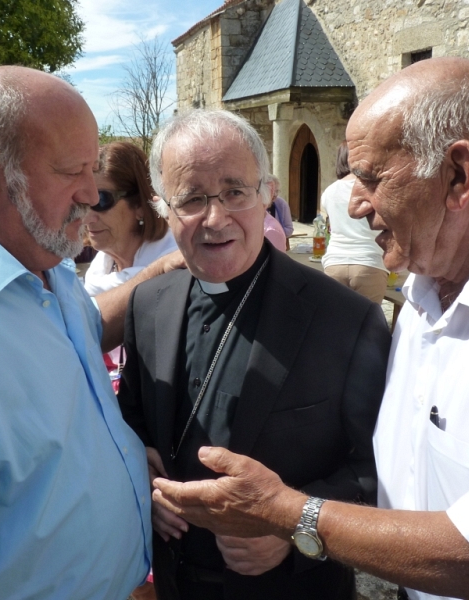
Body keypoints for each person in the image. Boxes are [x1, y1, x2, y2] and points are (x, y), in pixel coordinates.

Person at [151, 57, 469, 600]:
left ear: (458, 175)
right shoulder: (419, 296)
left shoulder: (351, 316)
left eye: (370, 177)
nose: (355, 201)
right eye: (193, 199)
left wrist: (289, 518)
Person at [0, 65, 181, 600]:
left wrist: (169, 270)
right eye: (71, 170)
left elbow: (77, 330)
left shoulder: (36, 250)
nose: (89, 193)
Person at [118, 109, 391, 600]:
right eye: (192, 199)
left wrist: (295, 528)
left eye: (234, 192)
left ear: (268, 192)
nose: (215, 218)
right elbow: (132, 420)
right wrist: (143, 478)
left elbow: (378, 470)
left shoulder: (345, 320)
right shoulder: (147, 305)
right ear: (163, 207)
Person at [83, 142, 177, 297]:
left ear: (140, 205)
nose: (86, 218)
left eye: (101, 200)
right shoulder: (98, 272)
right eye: (82, 202)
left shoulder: (178, 267)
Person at [321, 142, 388, 304]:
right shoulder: (375, 189)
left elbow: (326, 224)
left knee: (336, 323)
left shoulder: (329, 191)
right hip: (368, 261)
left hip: (335, 261)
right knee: (368, 325)